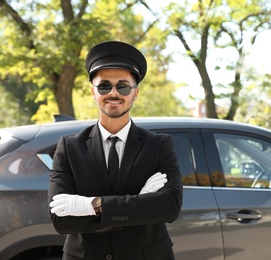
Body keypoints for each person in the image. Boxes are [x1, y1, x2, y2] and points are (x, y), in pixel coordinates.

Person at [48, 41, 183, 260]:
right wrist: (141, 203)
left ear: (135, 93)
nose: (114, 93)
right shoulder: (69, 147)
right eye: (104, 86)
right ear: (93, 92)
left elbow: (169, 207)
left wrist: (92, 205)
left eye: (123, 86)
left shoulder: (159, 145)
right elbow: (61, 220)